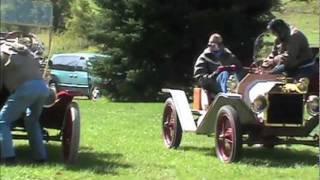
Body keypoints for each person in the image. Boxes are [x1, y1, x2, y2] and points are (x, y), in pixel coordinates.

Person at [0, 36, 49, 164]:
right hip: (42, 88)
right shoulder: (27, 52)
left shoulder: (2, 53)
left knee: (2, 121)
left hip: (25, 89)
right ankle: (40, 157)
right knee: (32, 122)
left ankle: (8, 157)